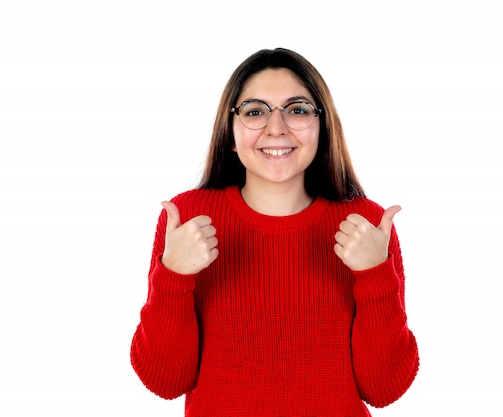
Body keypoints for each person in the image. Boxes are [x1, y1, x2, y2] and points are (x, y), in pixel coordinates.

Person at [130, 47, 419, 416]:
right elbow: (165, 381)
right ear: (230, 134)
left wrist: (375, 276)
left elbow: (383, 388)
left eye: (297, 110)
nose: (276, 128)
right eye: (255, 112)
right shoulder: (187, 219)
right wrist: (173, 278)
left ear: (322, 127)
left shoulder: (367, 224)